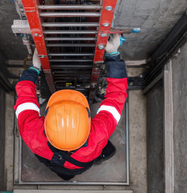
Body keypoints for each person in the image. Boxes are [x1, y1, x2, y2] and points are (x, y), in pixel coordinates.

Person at [14, 34, 127, 180]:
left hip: (61, 158)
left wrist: (34, 69)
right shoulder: (97, 136)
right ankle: (67, 175)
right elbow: (116, 97)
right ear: (88, 122)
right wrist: (113, 55)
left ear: (45, 121)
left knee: (64, 173)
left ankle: (66, 176)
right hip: (81, 160)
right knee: (73, 168)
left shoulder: (33, 135)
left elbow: (25, 101)